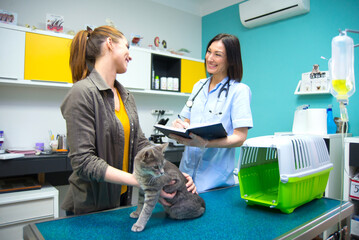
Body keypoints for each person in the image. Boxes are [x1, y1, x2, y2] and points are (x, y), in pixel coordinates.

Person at [61, 26, 196, 215]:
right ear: (109, 44)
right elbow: (83, 162)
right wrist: (140, 180)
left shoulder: (126, 95)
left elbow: (141, 144)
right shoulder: (82, 93)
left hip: (121, 203)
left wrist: (173, 174)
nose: (130, 56)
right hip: (90, 210)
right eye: (127, 47)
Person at [171, 33, 253, 193]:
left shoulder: (239, 91)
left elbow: (240, 138)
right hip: (185, 177)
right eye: (209, 52)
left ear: (230, 60)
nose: (210, 58)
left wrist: (206, 143)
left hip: (214, 183)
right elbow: (185, 121)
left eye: (218, 54)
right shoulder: (199, 86)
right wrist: (178, 125)